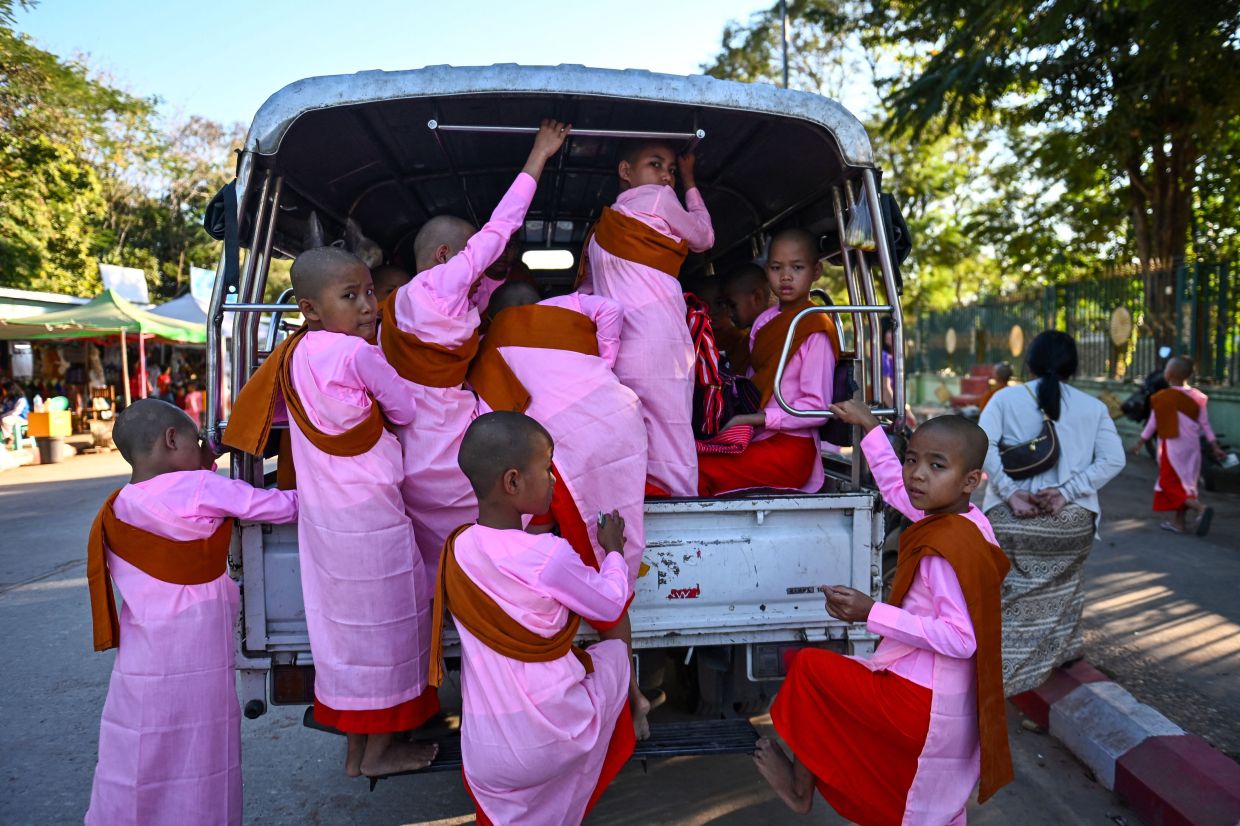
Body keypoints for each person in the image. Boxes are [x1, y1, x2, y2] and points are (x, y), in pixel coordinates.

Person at [223, 247, 438, 779]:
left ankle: (356, 753)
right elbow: (406, 410)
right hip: (373, 519)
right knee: (390, 630)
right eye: (351, 296)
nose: (369, 306)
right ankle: (381, 752)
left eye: (369, 293)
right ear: (310, 308)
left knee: (345, 636)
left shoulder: (293, 357)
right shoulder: (359, 355)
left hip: (323, 524)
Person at [753, 413, 1012, 823]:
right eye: (912, 460)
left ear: (970, 481)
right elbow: (896, 490)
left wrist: (870, 613)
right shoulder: (967, 523)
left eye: (936, 465)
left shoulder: (946, 547)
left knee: (808, 671)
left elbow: (962, 638)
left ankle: (801, 789)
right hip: (946, 699)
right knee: (839, 693)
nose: (917, 476)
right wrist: (870, 427)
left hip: (922, 702)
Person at [85, 399, 297, 826]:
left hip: (143, 660)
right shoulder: (200, 489)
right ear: (171, 440)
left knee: (137, 749)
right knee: (202, 751)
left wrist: (202, 453)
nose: (208, 455)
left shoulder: (120, 504)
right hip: (196, 656)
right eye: (199, 442)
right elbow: (283, 507)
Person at [380, 119, 570, 571]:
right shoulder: (442, 286)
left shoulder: (405, 304)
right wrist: (539, 154)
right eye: (470, 256)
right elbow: (501, 227)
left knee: (441, 560)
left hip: (415, 451)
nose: (479, 266)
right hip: (452, 455)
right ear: (445, 257)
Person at [429, 411, 634, 826]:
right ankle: (637, 708)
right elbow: (610, 605)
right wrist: (612, 551)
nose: (555, 481)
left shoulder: (458, 548)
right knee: (613, 652)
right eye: (547, 468)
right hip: (551, 741)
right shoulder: (548, 556)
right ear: (513, 482)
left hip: (486, 753)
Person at [470, 280, 654, 737]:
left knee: (579, 567)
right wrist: (602, 366)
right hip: (617, 416)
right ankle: (632, 694)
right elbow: (611, 308)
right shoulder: (567, 308)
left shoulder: (491, 346)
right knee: (609, 552)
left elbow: (490, 425)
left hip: (560, 448)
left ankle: (610, 695)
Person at [978, 330, 1125, 696]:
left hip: (1010, 521)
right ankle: (1060, 655)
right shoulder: (1094, 407)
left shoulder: (1004, 399)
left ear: (1030, 363)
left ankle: (996, 675)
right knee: (1066, 583)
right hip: (1070, 522)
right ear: (1073, 367)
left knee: (1007, 595)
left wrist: (1011, 494)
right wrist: (1065, 493)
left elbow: (980, 446)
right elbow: (1114, 459)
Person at [581, 140, 714, 497]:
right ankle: (682, 510)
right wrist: (690, 181)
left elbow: (586, 294)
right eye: (655, 165)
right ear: (625, 171)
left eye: (671, 169)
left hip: (615, 349)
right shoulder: (659, 199)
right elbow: (704, 237)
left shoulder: (598, 233)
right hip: (662, 343)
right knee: (671, 433)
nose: (665, 177)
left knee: (625, 434)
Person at [698, 229, 838, 495]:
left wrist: (758, 418)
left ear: (816, 270)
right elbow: (755, 383)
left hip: (791, 450)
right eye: (776, 268)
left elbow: (817, 409)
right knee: (684, 460)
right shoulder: (765, 321)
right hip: (757, 438)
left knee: (698, 470)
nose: (785, 277)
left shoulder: (814, 326)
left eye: (797, 267)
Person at [1133, 356, 1226, 536]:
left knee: (1168, 484)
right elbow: (1205, 424)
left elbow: (1152, 424)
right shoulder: (1198, 397)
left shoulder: (1162, 397)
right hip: (1192, 449)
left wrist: (1140, 443)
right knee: (1185, 485)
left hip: (1173, 448)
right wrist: (1214, 446)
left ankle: (1200, 508)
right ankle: (1179, 523)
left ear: (1168, 375)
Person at [692, 273, 750, 372]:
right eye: (704, 305)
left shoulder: (740, 340)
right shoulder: (696, 340)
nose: (711, 311)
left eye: (719, 303)